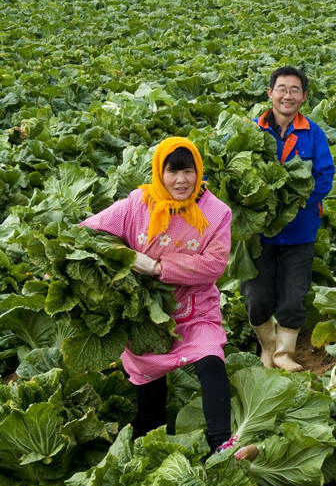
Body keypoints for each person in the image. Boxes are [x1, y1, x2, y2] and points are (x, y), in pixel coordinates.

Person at [82, 137, 236, 454]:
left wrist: (156, 268)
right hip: (144, 316)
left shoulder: (216, 212)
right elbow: (88, 232)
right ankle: (147, 446)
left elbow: (214, 264)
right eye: (173, 172)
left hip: (196, 311)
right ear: (159, 173)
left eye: (189, 171)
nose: (181, 180)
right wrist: (119, 254)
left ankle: (221, 444)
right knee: (148, 383)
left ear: (198, 172)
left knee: (211, 359)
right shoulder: (137, 205)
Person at [241, 66, 335, 372]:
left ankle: (285, 353)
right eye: (282, 88)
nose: (288, 95)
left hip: (300, 230)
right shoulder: (251, 132)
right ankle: (267, 347)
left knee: (294, 297)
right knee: (256, 296)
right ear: (270, 93)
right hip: (258, 232)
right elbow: (236, 174)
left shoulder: (313, 133)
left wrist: (292, 201)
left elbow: (324, 176)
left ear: (304, 97)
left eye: (295, 90)